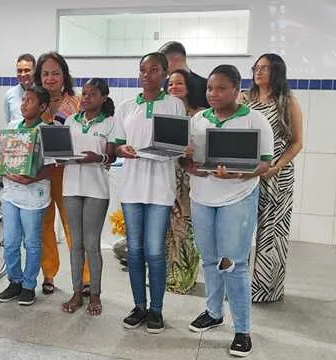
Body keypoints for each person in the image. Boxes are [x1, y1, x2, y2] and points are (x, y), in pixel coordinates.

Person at [182, 65, 273, 357]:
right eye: (210, 88)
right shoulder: (198, 119)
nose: (213, 94)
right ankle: (213, 312)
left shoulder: (255, 120)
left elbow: (264, 164)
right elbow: (188, 161)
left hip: (238, 196)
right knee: (209, 259)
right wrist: (187, 163)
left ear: (237, 90)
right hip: (202, 197)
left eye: (221, 88)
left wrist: (237, 175)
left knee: (232, 263)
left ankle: (242, 329)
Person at [115, 52, 186, 334]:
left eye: (154, 69)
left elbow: (179, 147)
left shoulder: (174, 105)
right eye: (143, 70)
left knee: (155, 251)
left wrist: (180, 149)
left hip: (160, 189)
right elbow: (118, 145)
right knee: (135, 252)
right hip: (132, 188)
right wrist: (123, 150)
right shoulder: (126, 106)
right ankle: (139, 306)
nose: (147, 74)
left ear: (165, 73)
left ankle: (156, 310)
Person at [240, 54, 303, 303]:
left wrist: (277, 166)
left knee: (272, 232)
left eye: (265, 68)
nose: (259, 72)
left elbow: (297, 142)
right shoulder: (244, 98)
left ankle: (266, 289)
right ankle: (237, 285)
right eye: (257, 67)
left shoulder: (287, 102)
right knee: (241, 231)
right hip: (246, 173)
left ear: (277, 72)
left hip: (277, 175)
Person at [61, 78, 118, 316]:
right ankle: (76, 292)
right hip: (71, 186)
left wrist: (97, 158)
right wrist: (63, 156)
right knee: (76, 244)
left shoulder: (111, 123)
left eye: (91, 95)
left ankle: (95, 293)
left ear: (103, 98)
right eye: (83, 94)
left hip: (96, 189)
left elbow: (112, 157)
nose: (85, 98)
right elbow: (61, 150)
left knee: (92, 245)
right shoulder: (71, 120)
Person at [0, 86, 55, 306]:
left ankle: (29, 285)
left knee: (31, 242)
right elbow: (1, 157)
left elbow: (52, 167)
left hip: (33, 195)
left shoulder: (47, 131)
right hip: (11, 192)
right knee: (10, 241)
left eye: (30, 101)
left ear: (42, 107)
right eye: (23, 100)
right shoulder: (12, 127)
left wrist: (31, 179)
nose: (24, 104)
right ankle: (15, 281)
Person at [33, 51, 87, 295]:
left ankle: (85, 278)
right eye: (45, 73)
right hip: (42, 174)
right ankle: (48, 274)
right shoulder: (34, 103)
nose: (50, 78)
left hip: (69, 174)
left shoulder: (77, 104)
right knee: (44, 224)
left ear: (64, 75)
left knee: (73, 225)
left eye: (56, 73)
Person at [164, 68, 206, 294]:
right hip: (166, 177)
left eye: (178, 84)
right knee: (167, 230)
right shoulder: (165, 113)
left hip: (190, 180)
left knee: (185, 229)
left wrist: (190, 154)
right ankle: (168, 276)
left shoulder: (200, 115)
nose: (173, 88)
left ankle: (184, 278)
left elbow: (206, 147)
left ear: (189, 87)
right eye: (170, 84)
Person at [159, 41, 209, 109]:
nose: (162, 67)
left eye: (163, 63)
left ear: (175, 59)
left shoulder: (205, 85)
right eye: (171, 84)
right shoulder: (166, 85)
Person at [4, 53, 35, 124]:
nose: (23, 74)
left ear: (34, 71)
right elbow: (9, 121)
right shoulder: (9, 94)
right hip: (15, 134)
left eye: (27, 70)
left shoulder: (42, 93)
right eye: (19, 71)